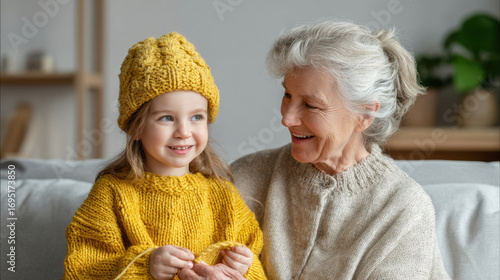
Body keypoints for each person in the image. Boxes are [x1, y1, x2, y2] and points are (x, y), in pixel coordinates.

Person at [181, 20, 451, 279]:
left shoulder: (403, 209)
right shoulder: (247, 176)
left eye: (311, 105)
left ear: (365, 114)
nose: (287, 118)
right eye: (288, 95)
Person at [64, 32, 266, 280]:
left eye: (196, 117)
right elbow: (81, 270)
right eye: (167, 118)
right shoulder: (111, 194)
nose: (184, 132)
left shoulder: (224, 196)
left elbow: (256, 261)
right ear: (135, 126)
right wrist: (144, 267)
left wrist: (246, 268)